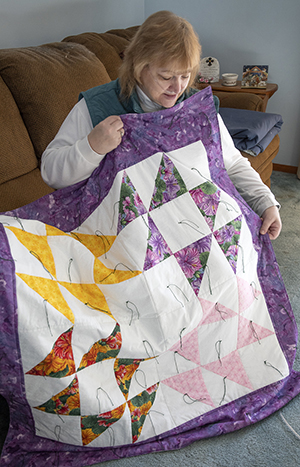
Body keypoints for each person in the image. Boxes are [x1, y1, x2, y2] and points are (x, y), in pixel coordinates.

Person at [41, 10, 282, 240]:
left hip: (187, 223)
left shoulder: (195, 107)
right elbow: (51, 172)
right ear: (138, 67)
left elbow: (231, 162)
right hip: (120, 229)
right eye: (166, 77)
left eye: (185, 75)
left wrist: (266, 202)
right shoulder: (97, 106)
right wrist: (91, 147)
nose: (177, 88)